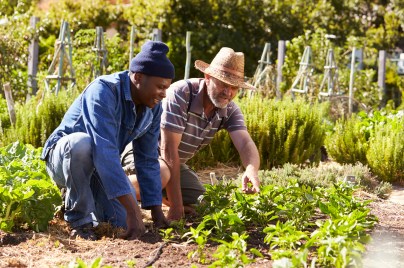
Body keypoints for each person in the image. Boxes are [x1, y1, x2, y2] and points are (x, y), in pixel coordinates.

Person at [41, 41, 174, 240]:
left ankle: (86, 200)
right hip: (64, 158)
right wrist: (134, 211)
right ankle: (79, 220)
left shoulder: (153, 107)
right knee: (81, 143)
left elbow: (146, 159)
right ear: (138, 77)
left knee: (120, 221)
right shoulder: (104, 91)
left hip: (99, 167)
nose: (164, 94)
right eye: (160, 87)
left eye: (167, 88)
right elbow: (105, 150)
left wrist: (155, 212)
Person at [123, 47, 261, 221]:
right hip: (143, 154)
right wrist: (176, 205)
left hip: (174, 164)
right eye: (224, 84)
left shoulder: (229, 109)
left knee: (204, 203)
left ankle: (159, 195)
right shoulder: (182, 93)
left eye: (234, 87)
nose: (228, 92)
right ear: (208, 77)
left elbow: (245, 143)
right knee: (161, 174)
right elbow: (168, 149)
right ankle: (108, 193)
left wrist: (251, 169)